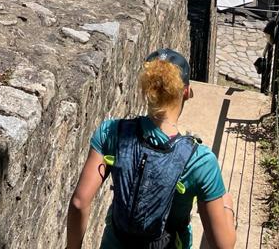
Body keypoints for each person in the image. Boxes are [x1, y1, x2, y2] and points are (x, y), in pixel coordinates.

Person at [66, 49, 236, 249]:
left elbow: (79, 203)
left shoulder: (111, 132)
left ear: (147, 89)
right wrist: (228, 205)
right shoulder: (201, 161)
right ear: (187, 92)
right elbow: (223, 244)